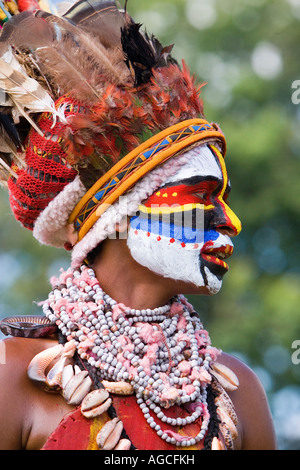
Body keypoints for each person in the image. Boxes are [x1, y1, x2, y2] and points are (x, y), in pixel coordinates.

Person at [0, 0, 276, 450]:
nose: (231, 222)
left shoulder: (238, 393)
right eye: (201, 196)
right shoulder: (14, 375)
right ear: (115, 215)